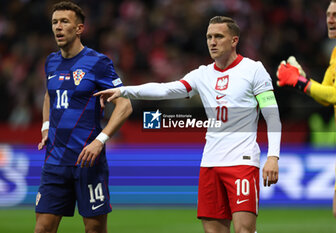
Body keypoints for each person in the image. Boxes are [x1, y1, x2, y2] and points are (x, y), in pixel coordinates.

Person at [95, 16, 281, 233]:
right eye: (209, 37)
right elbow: (166, 89)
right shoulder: (202, 74)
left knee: (244, 230)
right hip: (210, 162)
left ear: (234, 40)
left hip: (242, 161)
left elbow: (272, 115)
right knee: (213, 231)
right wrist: (124, 90)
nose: (212, 42)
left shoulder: (253, 70)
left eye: (219, 36)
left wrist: (273, 156)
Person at [35, 2, 132, 233]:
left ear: (79, 29)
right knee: (42, 229)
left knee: (94, 230)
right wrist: (46, 127)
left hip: (87, 162)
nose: (58, 27)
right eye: (54, 22)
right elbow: (50, 95)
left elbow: (125, 105)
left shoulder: (98, 62)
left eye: (64, 22)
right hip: (54, 161)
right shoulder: (51, 62)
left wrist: (100, 141)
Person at [276, 0, 336, 232]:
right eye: (328, 14)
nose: (330, 19)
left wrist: (300, 82)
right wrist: (301, 78)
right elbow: (325, 96)